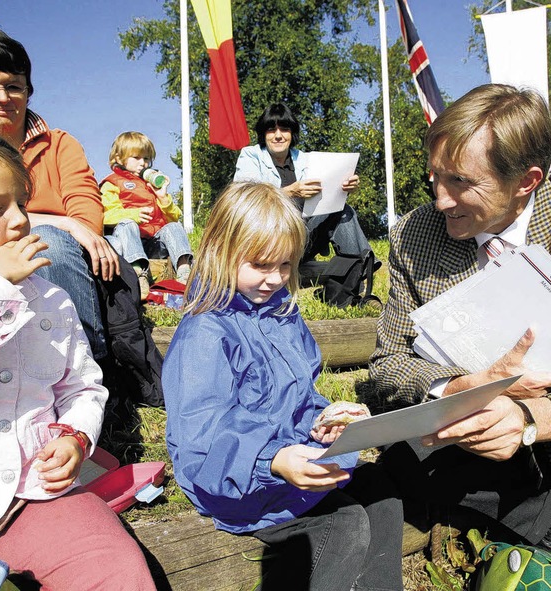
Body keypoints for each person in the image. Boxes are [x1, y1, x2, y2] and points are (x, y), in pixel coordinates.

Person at [0, 126, 155, 590]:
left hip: (34, 493)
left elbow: (82, 385)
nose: (20, 220)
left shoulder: (52, 300)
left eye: (21, 203)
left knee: (118, 574)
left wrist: (76, 437)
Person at [163, 181, 403, 591]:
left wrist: (322, 421)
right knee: (343, 526)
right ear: (222, 252)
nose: (275, 279)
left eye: (286, 266)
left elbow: (299, 397)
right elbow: (201, 440)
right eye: (260, 265)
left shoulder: (280, 315)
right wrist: (270, 461)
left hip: (289, 459)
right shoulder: (205, 333)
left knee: (384, 491)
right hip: (236, 480)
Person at [369, 83, 551, 545]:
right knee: (404, 460)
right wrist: (457, 386)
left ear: (526, 181)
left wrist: (531, 419)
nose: (441, 200)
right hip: (452, 438)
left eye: (461, 182)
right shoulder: (416, 233)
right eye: (435, 176)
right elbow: (387, 367)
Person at [0, 25, 119, 361]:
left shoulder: (59, 145)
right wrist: (60, 222)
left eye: (14, 86)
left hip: (56, 262)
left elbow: (86, 220)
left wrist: (59, 227)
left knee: (47, 241)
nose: (2, 97)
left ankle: (86, 367)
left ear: (29, 90)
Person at [234, 103, 372, 262]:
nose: (278, 135)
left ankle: (361, 265)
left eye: (284, 129)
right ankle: (358, 268)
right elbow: (243, 200)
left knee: (344, 211)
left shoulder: (305, 158)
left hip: (303, 236)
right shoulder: (251, 156)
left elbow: (325, 195)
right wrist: (289, 192)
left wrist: (344, 187)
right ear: (263, 134)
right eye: (271, 130)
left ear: (292, 133)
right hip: (267, 238)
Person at [100, 131, 193, 299]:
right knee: (127, 224)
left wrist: (163, 197)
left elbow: (173, 218)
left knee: (173, 227)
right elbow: (106, 215)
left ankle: (185, 271)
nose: (143, 163)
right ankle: (138, 274)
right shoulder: (112, 183)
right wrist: (132, 214)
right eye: (136, 158)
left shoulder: (151, 184)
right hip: (129, 243)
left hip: (153, 242)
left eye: (146, 159)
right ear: (119, 158)